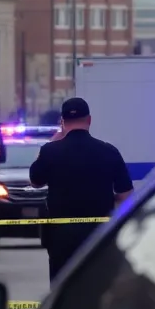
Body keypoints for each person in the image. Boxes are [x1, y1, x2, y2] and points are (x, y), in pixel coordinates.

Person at [29, 96, 133, 282]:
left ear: (62, 122)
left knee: (62, 285)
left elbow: (35, 181)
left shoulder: (50, 151)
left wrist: (53, 142)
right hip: (99, 234)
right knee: (98, 284)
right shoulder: (109, 151)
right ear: (89, 120)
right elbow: (126, 194)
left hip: (61, 236)